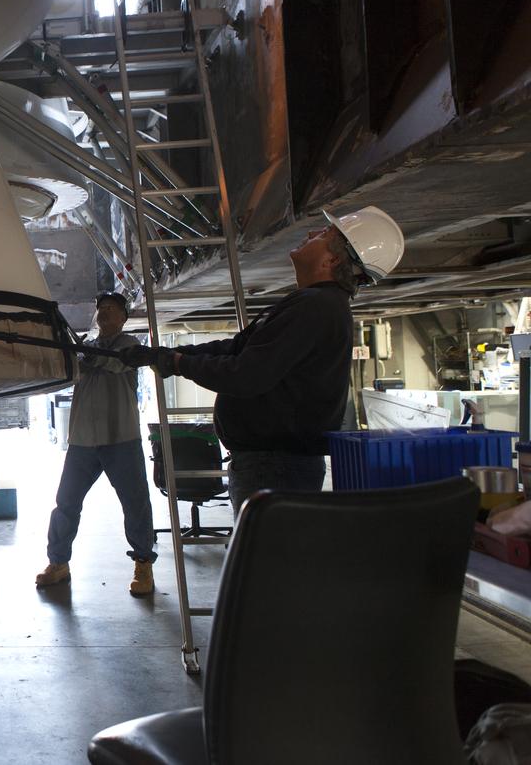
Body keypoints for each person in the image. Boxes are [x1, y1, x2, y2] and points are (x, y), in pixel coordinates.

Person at [120, 205, 404, 514]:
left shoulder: (315, 307)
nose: (311, 232)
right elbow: (238, 348)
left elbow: (246, 375)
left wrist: (177, 363)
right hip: (272, 465)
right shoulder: (315, 304)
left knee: (270, 547)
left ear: (332, 260)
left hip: (275, 467)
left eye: (324, 234)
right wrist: (167, 355)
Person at [35, 292, 157, 596]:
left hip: (121, 438)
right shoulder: (85, 347)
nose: (104, 312)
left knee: (135, 504)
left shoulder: (129, 345)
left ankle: (143, 563)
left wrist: (81, 355)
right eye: (101, 308)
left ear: (124, 318)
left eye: (112, 308)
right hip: (83, 440)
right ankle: (58, 563)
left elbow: (113, 363)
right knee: (66, 503)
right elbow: (68, 370)